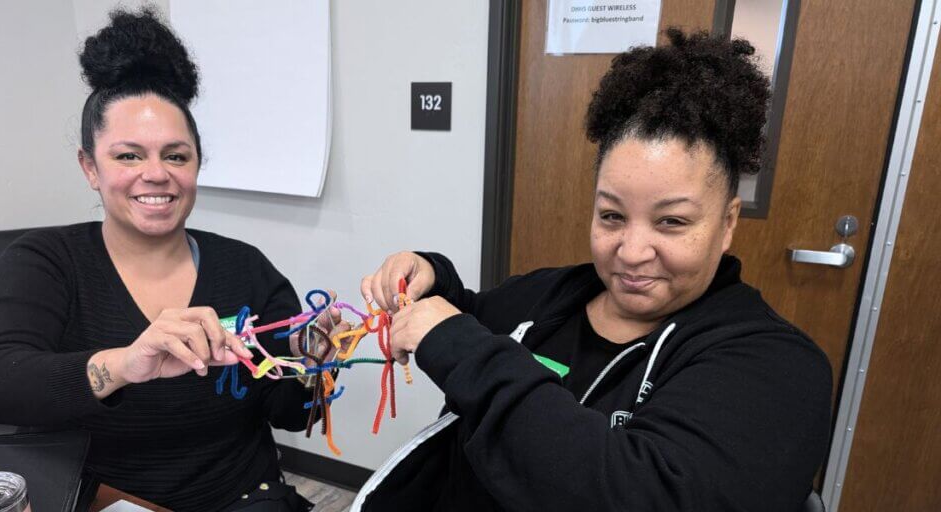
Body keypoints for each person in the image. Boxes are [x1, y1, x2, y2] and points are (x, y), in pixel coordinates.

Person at [353, 29, 832, 511]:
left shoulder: (776, 368)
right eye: (612, 216)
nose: (632, 251)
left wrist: (460, 348)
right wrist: (433, 278)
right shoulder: (554, 295)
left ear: (727, 222)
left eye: (671, 221)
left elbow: (636, 491)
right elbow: (476, 317)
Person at [0, 9, 337, 512]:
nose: (156, 174)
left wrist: (313, 362)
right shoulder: (44, 262)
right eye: (128, 156)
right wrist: (125, 363)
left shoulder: (247, 269)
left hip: (241, 497)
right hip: (100, 498)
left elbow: (294, 415)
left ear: (197, 165)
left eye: (176, 155)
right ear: (90, 168)